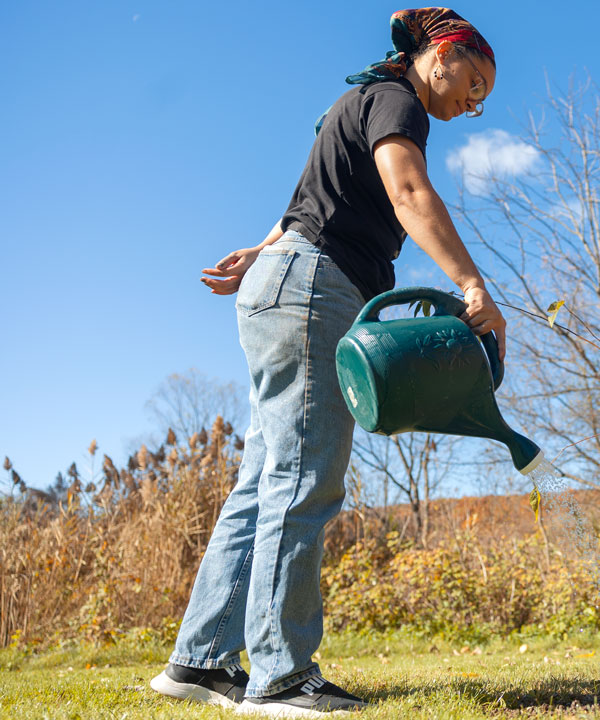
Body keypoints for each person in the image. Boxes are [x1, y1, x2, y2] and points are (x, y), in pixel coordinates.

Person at [149, 8, 505, 715]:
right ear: (443, 54)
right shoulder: (398, 100)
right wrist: (471, 284)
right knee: (304, 475)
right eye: (476, 81)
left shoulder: (361, 98)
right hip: (315, 287)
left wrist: (262, 252)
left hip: (286, 278)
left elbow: (305, 203)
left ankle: (200, 659)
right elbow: (408, 194)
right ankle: (280, 674)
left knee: (264, 479)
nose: (475, 102)